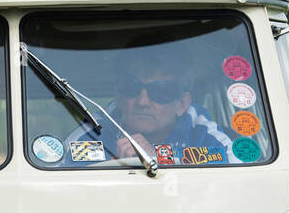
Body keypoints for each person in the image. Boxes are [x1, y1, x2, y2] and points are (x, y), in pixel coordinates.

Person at [66, 50, 239, 166]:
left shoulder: (202, 132)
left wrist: (160, 157)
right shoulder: (95, 131)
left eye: (161, 91)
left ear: (182, 103)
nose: (142, 101)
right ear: (118, 96)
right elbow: (60, 165)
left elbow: (240, 166)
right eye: (131, 87)